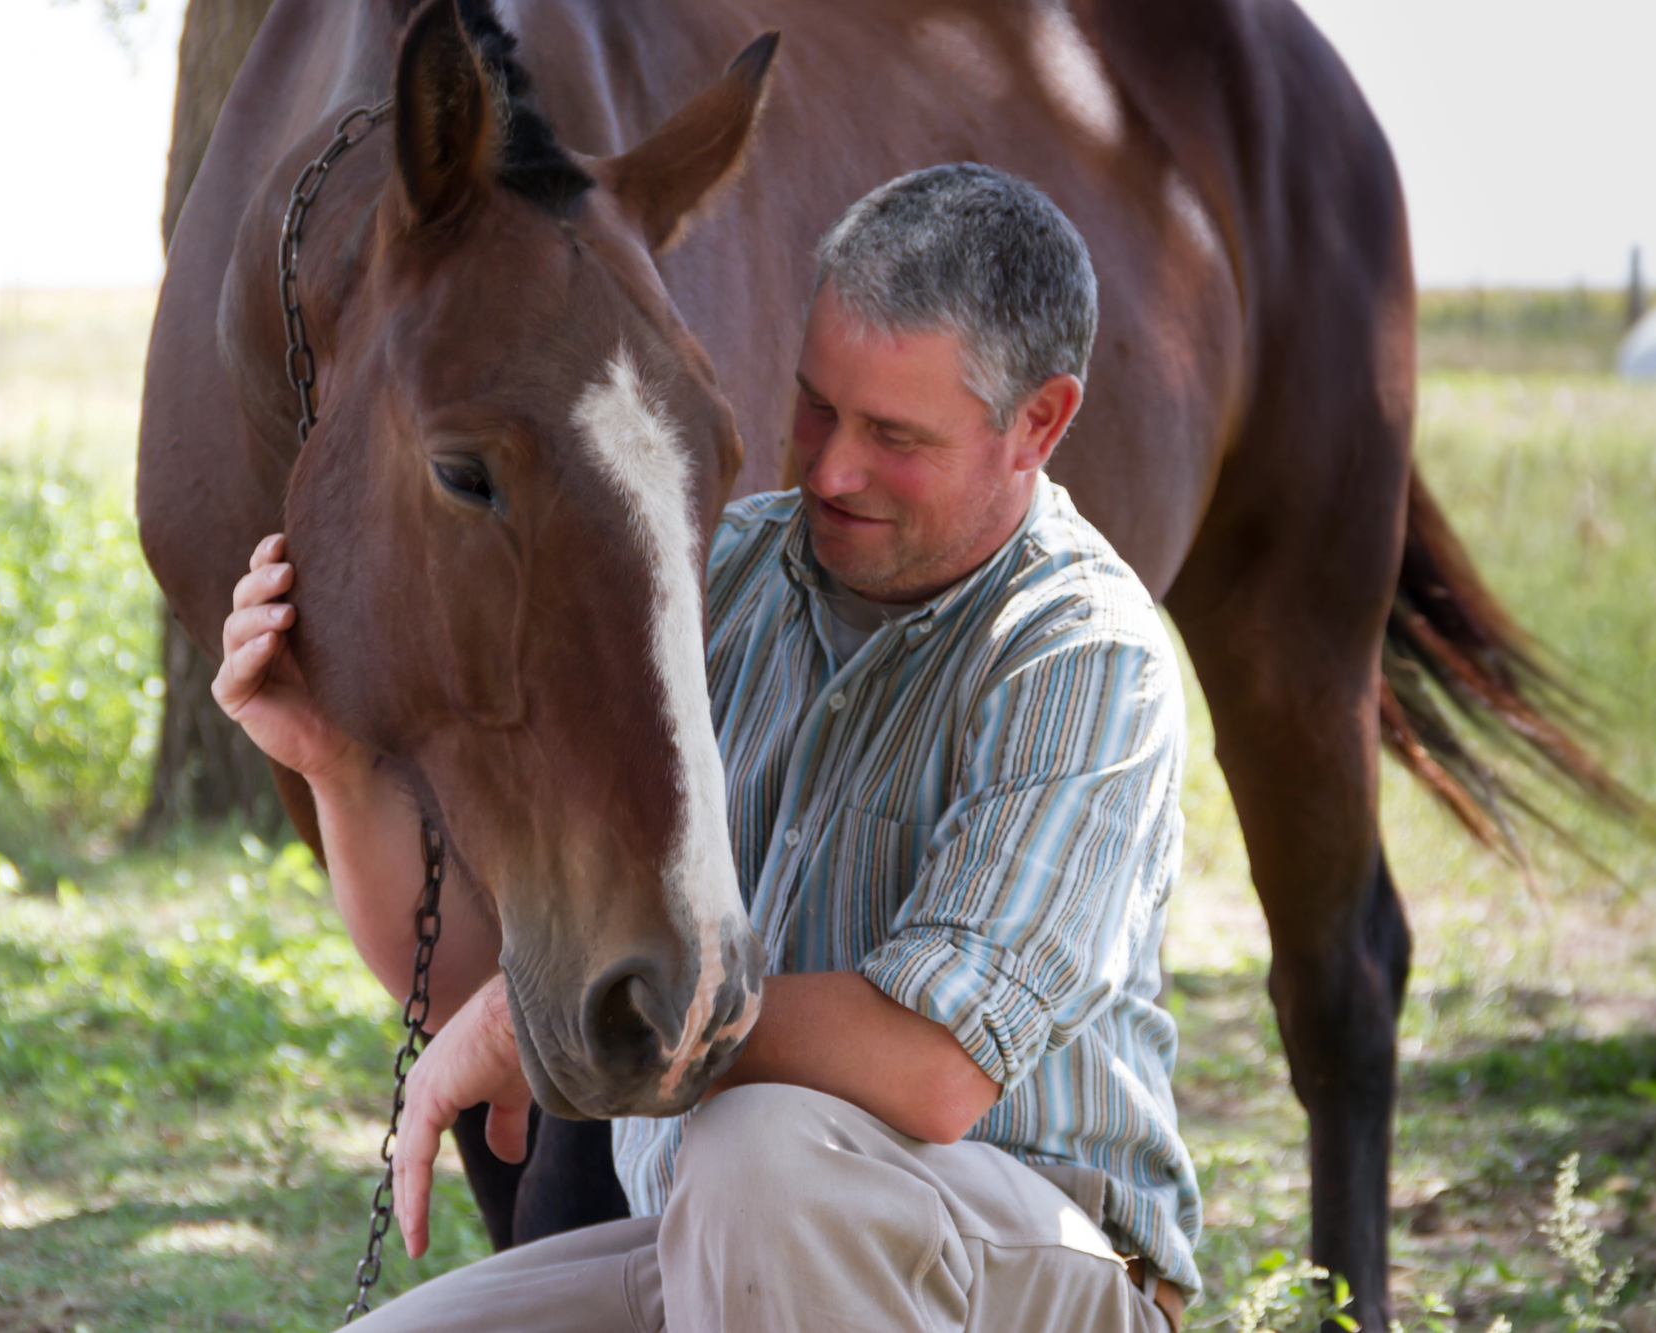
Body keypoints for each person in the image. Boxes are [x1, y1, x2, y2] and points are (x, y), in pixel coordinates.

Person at [216, 164, 1201, 1332]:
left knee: (758, 1149)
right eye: (815, 404)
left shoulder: (1083, 652)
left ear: (1037, 422)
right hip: (718, 1253)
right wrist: (335, 764)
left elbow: (937, 1069)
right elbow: (487, 985)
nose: (830, 470)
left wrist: (548, 1030)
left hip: (1014, 1265)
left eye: (893, 435)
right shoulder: (721, 572)